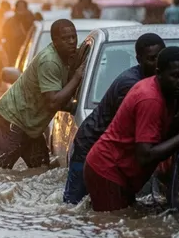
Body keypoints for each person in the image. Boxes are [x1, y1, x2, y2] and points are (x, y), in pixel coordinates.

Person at [84, 47, 179, 212]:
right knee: (112, 228)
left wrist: (177, 122)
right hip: (108, 170)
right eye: (175, 76)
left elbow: (155, 134)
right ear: (159, 73)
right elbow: (145, 155)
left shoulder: (166, 90)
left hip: (116, 171)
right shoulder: (150, 99)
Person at [63, 33, 166, 205]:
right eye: (151, 59)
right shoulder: (134, 86)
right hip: (90, 148)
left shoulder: (155, 82)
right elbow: (129, 129)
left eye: (160, 58)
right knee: (73, 208)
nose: (157, 64)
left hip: (109, 157)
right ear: (139, 59)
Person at [0, 19, 85, 169]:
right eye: (66, 38)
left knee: (41, 170)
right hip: (13, 119)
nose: (72, 42)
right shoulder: (49, 61)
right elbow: (53, 102)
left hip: (32, 125)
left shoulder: (72, 56)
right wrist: (77, 77)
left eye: (74, 37)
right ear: (55, 41)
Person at [0, 0, 35, 64]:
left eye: (22, 8)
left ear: (26, 9)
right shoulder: (9, 22)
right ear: (15, 9)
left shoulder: (31, 21)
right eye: (19, 8)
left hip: (29, 53)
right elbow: (4, 37)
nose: (20, 11)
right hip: (13, 53)